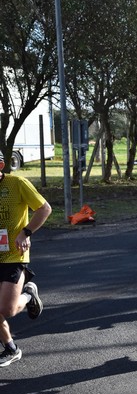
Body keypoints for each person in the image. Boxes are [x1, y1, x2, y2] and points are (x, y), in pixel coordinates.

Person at [0, 152, 52, 365]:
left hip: (13, 254)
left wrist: (26, 232)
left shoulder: (17, 183)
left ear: (1, 164)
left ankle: (29, 295)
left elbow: (44, 209)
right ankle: (11, 348)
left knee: (7, 310)